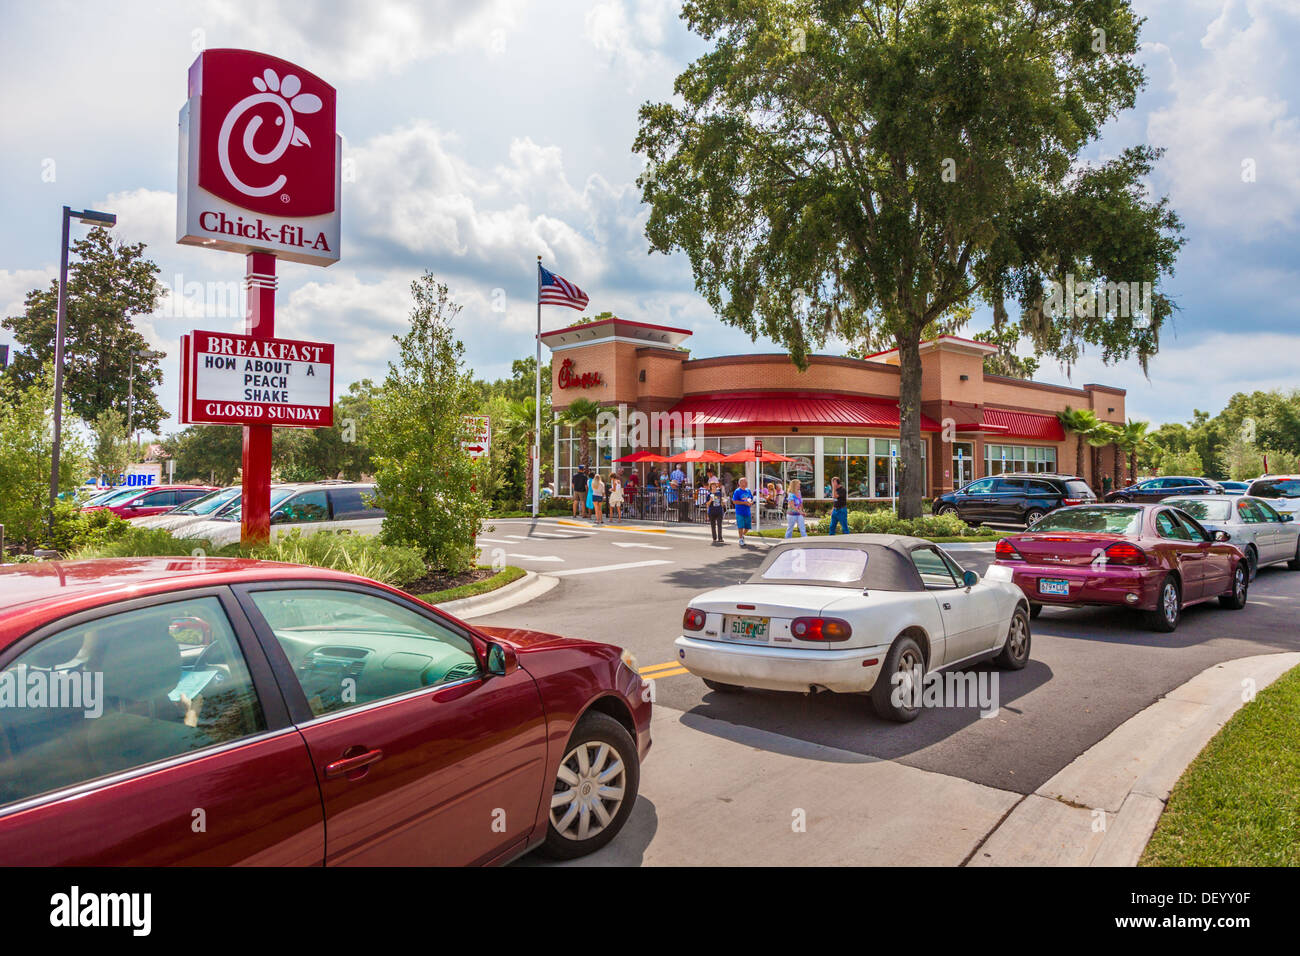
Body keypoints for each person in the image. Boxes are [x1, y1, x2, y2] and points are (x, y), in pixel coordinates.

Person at [732, 476, 755, 547]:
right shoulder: (737, 491)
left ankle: (742, 535)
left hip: (747, 511)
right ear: (740, 483)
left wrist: (751, 502)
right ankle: (741, 539)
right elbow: (734, 501)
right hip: (740, 511)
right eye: (745, 481)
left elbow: (751, 498)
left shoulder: (748, 490)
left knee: (748, 527)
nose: (746, 483)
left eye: (746, 481)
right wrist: (744, 503)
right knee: (741, 526)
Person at [706, 478, 727, 544]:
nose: (714, 487)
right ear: (710, 487)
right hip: (712, 511)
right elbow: (707, 505)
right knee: (713, 525)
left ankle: (720, 538)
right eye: (712, 486)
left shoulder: (719, 493)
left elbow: (721, 501)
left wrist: (723, 502)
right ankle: (714, 538)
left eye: (715, 486)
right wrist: (710, 500)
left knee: (719, 525)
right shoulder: (708, 495)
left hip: (719, 511)